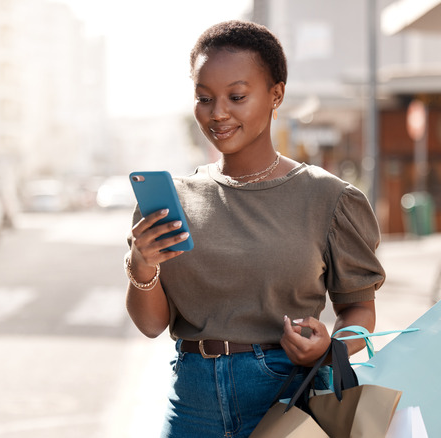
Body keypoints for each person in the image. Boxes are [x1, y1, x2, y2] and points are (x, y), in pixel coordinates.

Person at [124, 20, 385, 438]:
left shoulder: (329, 199)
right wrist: (141, 267)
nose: (218, 113)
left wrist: (331, 346)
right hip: (192, 405)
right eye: (204, 98)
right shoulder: (175, 199)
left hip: (286, 395)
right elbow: (153, 324)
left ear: (276, 94)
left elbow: (358, 309)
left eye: (237, 96)